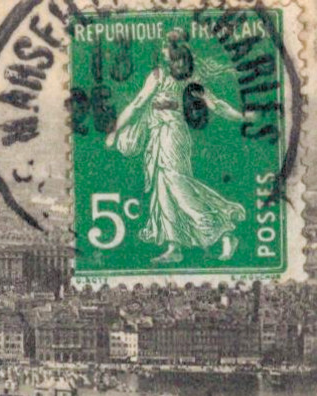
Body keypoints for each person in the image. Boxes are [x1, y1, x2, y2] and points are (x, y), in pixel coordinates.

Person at [104, 28, 254, 265]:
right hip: (156, 135)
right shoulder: (159, 75)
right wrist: (115, 130)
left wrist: (242, 117)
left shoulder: (189, 80)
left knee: (178, 185)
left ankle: (225, 231)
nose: (164, 51)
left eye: (167, 47)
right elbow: (137, 104)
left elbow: (216, 105)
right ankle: (174, 247)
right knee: (161, 189)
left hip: (173, 136)